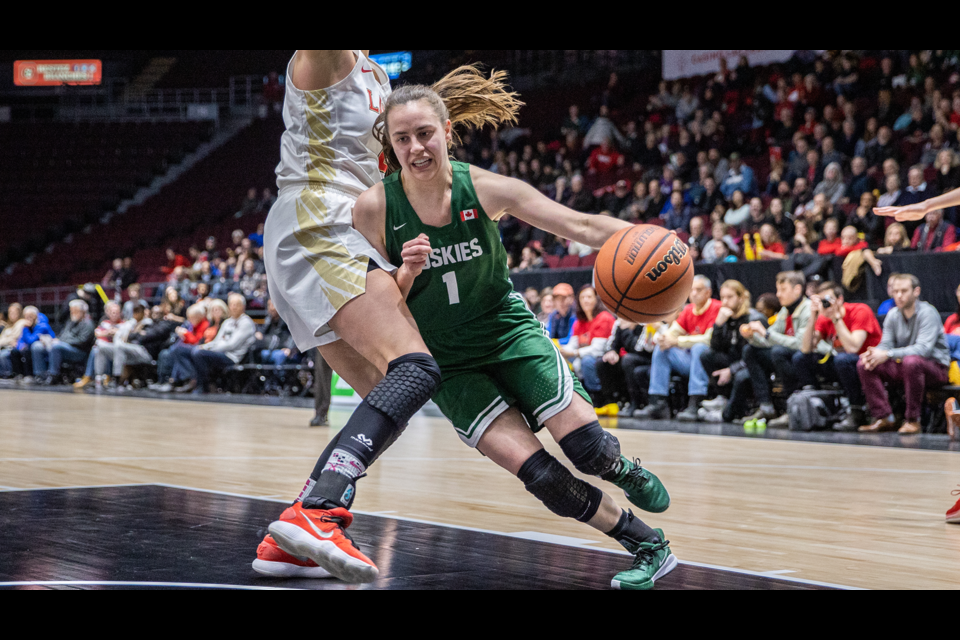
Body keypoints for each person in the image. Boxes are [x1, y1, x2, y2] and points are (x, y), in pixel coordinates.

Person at [349, 72, 676, 590]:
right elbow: (375, 308)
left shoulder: (483, 187)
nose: (416, 147)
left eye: (425, 133)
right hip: (449, 363)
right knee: (545, 480)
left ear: (447, 130)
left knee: (589, 450)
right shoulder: (373, 209)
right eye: (403, 138)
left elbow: (584, 227)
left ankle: (620, 468)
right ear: (389, 143)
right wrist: (405, 275)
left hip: (508, 335)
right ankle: (648, 545)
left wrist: (659, 240)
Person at [257, 50, 446, 584]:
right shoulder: (327, 60)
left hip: (338, 228)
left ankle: (290, 537)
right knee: (415, 369)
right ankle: (318, 513)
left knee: (389, 395)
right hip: (319, 217)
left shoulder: (377, 73)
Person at [856, 274, 951, 434]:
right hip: (906, 365)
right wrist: (875, 353)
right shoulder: (893, 315)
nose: (899, 295)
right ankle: (884, 417)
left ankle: (913, 420)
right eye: (896, 291)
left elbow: (923, 350)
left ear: (916, 291)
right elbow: (885, 344)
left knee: (911, 361)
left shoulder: (928, 313)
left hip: (936, 368)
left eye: (904, 291)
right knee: (865, 364)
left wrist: (888, 353)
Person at [740, 271, 826, 428]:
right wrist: (751, 336)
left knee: (779, 352)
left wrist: (765, 333)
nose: (778, 295)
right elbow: (770, 339)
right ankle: (765, 405)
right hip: (790, 356)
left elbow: (801, 345)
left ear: (797, 290)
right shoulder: (785, 311)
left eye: (783, 290)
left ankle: (791, 408)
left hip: (813, 357)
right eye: (777, 290)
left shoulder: (807, 309)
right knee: (750, 351)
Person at [635, 276, 722, 422]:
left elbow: (709, 339)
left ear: (708, 292)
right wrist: (664, 339)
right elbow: (673, 332)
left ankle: (695, 402)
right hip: (689, 361)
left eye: (698, 290)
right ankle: (658, 403)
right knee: (662, 348)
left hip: (711, 361)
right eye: (691, 290)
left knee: (699, 348)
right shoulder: (688, 310)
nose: (694, 293)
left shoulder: (716, 307)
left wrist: (677, 341)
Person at [799, 281, 882, 431]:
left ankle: (857, 411)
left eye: (828, 301)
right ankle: (817, 407)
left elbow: (853, 347)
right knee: (801, 359)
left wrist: (837, 319)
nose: (826, 306)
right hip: (843, 363)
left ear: (840, 300)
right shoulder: (823, 318)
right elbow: (806, 348)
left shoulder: (860, 311)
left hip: (868, 362)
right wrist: (813, 316)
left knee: (842, 360)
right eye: (822, 302)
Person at [698, 280, 767, 424]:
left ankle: (727, 414)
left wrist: (731, 369)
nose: (725, 302)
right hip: (735, 361)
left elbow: (754, 354)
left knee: (741, 376)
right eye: (722, 298)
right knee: (706, 355)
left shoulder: (753, 318)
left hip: (753, 365)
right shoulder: (726, 318)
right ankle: (723, 398)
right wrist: (718, 324)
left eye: (730, 297)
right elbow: (715, 348)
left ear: (741, 298)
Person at [559, 286, 616, 406]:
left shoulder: (604, 318)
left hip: (605, 356)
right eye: (582, 297)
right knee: (560, 360)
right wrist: (560, 351)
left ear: (596, 299)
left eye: (589, 297)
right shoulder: (579, 322)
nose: (585, 300)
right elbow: (572, 345)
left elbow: (597, 349)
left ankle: (597, 395)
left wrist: (573, 353)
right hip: (585, 356)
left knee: (586, 360)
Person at [31, 299, 95, 385]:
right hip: (63, 346)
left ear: (83, 311)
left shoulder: (88, 323)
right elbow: (61, 336)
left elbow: (82, 341)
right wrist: (52, 340)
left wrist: (60, 342)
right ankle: (40, 375)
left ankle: (54, 375)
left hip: (78, 352)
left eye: (75, 311)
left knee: (56, 346)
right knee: (37, 346)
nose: (73, 313)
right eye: (71, 311)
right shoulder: (70, 322)